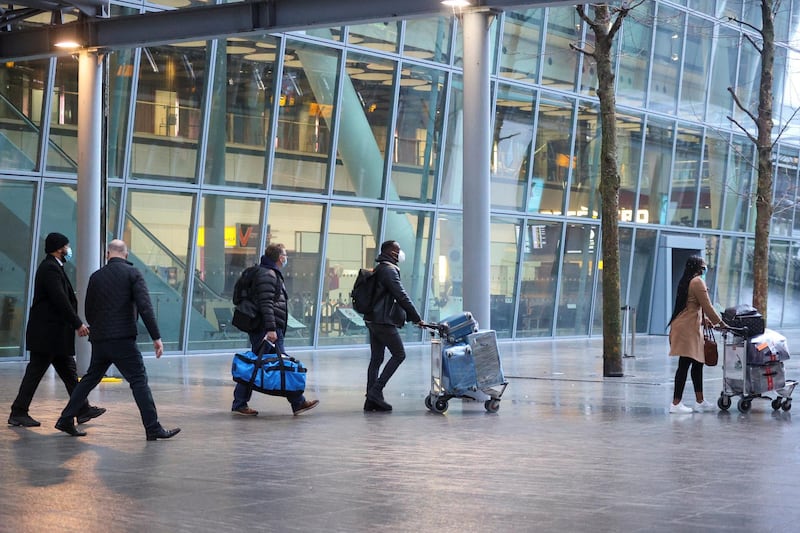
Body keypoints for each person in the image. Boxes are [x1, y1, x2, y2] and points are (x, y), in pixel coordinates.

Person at [54, 239, 180, 440]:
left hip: (100, 339)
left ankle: (66, 419)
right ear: (126, 254)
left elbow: (89, 309)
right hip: (122, 339)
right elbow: (145, 307)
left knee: (89, 379)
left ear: (107, 255)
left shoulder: (96, 277)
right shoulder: (133, 274)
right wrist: (156, 337)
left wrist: (100, 329)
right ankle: (153, 427)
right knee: (138, 380)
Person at [8, 232, 106, 428]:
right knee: (35, 373)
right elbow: (59, 300)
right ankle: (18, 412)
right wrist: (77, 323)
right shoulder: (50, 269)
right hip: (48, 336)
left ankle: (82, 408)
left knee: (69, 373)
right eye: (67, 246)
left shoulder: (54, 267)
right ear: (59, 248)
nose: (69, 250)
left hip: (53, 336)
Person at [232, 243, 319, 416]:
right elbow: (266, 304)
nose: (286, 258)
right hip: (267, 328)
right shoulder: (268, 275)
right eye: (285, 255)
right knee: (279, 363)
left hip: (264, 327)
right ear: (280, 258)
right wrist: (271, 329)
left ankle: (240, 402)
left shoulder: (266, 272)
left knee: (257, 363)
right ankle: (297, 402)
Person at [363, 240, 424, 412]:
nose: (400, 253)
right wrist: (416, 318)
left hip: (372, 320)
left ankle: (371, 401)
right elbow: (401, 296)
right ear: (391, 252)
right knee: (399, 354)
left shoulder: (380, 268)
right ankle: (375, 392)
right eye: (398, 250)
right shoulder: (389, 270)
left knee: (376, 359)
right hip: (383, 321)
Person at [667, 255, 725, 414]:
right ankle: (676, 404)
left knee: (698, 364)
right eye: (703, 266)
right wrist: (721, 323)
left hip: (688, 327)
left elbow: (692, 306)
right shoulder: (697, 281)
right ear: (698, 267)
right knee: (684, 364)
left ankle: (700, 401)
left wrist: (705, 320)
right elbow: (707, 305)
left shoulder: (688, 281)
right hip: (687, 330)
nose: (705, 268)